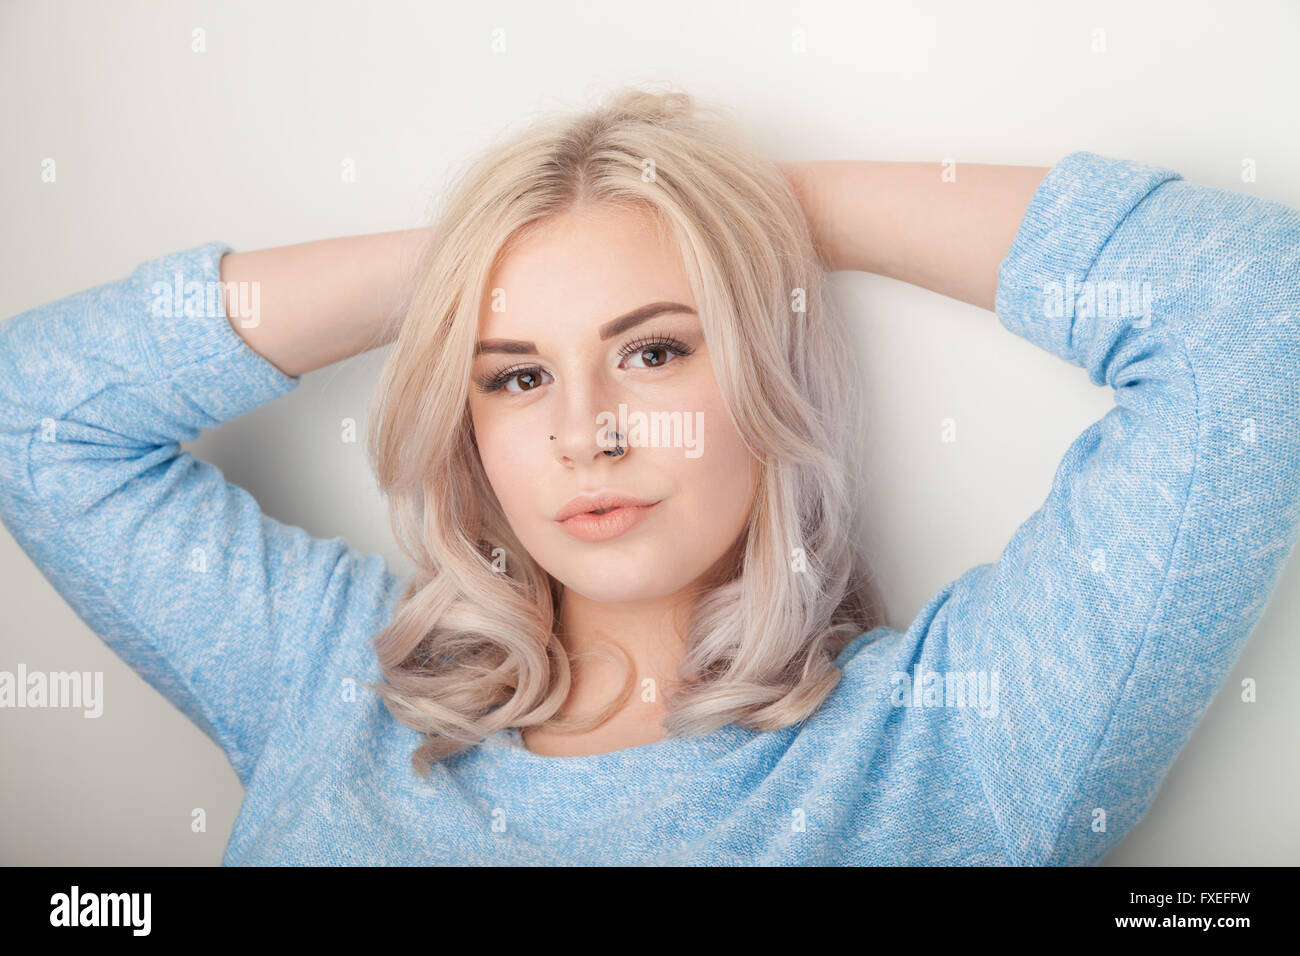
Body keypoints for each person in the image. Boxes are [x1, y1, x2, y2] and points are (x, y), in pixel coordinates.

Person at [2, 87, 1297, 865]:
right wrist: (483, 252)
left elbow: (1256, 314)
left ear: (763, 373)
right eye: (515, 374)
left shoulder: (959, 745)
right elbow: (37, 411)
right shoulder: (328, 682)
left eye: (656, 349)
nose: (586, 434)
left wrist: (738, 208)